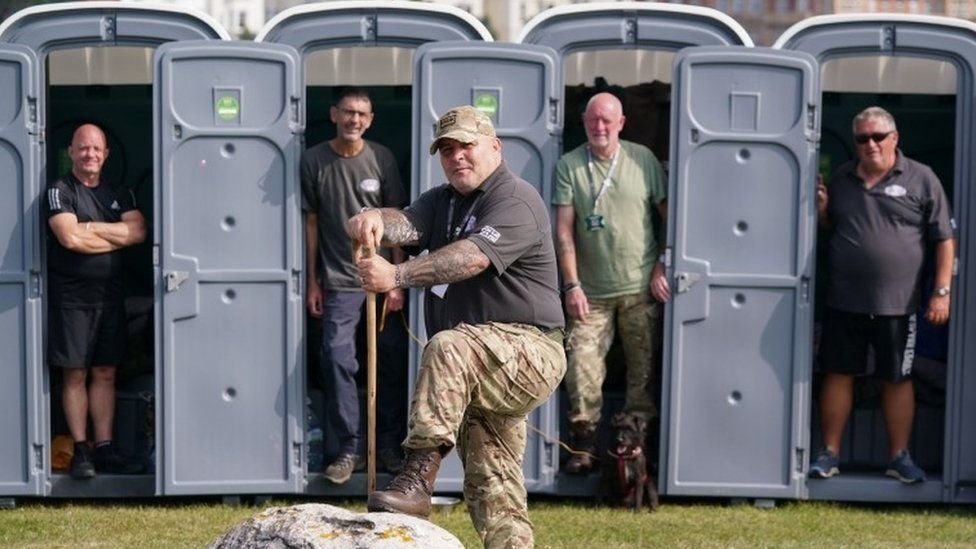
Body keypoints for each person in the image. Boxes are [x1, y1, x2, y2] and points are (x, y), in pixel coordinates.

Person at [347, 105, 566, 548]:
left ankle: (416, 479)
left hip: (529, 350)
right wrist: (372, 218)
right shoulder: (443, 200)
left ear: (494, 147)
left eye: (466, 145)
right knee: (493, 490)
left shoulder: (514, 198)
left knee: (447, 347)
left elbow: (473, 257)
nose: (456, 156)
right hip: (479, 369)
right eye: (447, 149)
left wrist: (398, 276)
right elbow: (406, 224)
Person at [810, 106, 955, 484]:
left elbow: (944, 240)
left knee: (897, 377)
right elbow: (833, 227)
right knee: (838, 373)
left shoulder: (922, 179)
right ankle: (829, 455)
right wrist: (823, 213)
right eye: (862, 138)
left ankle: (899, 457)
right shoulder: (841, 178)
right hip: (844, 300)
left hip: (899, 304)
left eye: (878, 136)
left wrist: (941, 292)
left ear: (895, 138)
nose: (870, 144)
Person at [552, 92, 670, 475]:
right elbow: (564, 233)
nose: (599, 128)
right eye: (592, 120)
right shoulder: (570, 165)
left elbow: (669, 217)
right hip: (592, 294)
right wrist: (571, 285)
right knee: (581, 366)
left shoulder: (643, 160)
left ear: (621, 123)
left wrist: (662, 265)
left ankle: (637, 448)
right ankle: (583, 446)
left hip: (640, 288)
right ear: (583, 121)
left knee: (643, 370)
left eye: (607, 121)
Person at [302, 87, 409, 483]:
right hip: (338, 282)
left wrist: (397, 280)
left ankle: (386, 446)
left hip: (382, 282)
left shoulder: (381, 158)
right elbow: (311, 222)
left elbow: (397, 222)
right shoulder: (314, 160)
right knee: (336, 359)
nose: (355, 120)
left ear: (371, 119)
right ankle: (348, 448)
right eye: (348, 112)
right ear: (333, 114)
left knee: (391, 363)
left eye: (362, 114)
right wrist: (313, 280)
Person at [45, 123, 147, 479]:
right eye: (83, 148)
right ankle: (80, 450)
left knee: (105, 372)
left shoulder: (121, 192)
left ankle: (104, 448)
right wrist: (112, 233)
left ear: (106, 154)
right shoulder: (60, 191)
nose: (90, 154)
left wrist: (90, 228)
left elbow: (138, 232)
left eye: (96, 149)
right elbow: (69, 239)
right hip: (71, 301)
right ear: (71, 152)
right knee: (75, 373)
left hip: (109, 299)